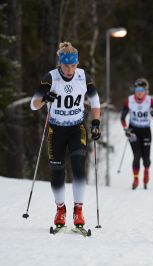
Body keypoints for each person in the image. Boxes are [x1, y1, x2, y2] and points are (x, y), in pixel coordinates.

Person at [30, 42, 101, 228]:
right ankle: (60, 209)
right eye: (67, 65)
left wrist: (95, 123)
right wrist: (45, 99)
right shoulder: (50, 78)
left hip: (77, 128)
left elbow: (95, 101)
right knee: (57, 172)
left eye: (74, 65)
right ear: (60, 64)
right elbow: (33, 104)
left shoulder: (83, 76)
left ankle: (78, 211)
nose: (70, 69)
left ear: (77, 63)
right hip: (56, 130)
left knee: (78, 167)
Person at [120, 78, 153, 190]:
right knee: (136, 155)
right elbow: (122, 118)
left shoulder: (150, 101)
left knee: (146, 158)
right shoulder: (129, 100)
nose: (139, 92)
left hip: (146, 131)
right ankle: (136, 179)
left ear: (146, 90)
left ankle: (146, 171)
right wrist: (125, 129)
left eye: (142, 89)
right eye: (137, 89)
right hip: (133, 130)